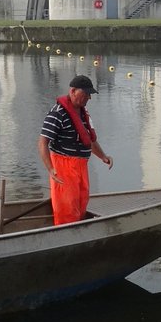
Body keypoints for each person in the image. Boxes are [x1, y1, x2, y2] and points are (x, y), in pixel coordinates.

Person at [37, 74, 113, 225]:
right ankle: (65, 233)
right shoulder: (57, 113)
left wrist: (103, 156)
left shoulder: (84, 114)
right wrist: (51, 169)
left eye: (89, 94)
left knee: (81, 201)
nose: (88, 98)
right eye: (85, 94)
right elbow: (42, 143)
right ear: (73, 91)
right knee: (67, 206)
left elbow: (89, 140)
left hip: (81, 166)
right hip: (63, 165)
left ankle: (79, 230)